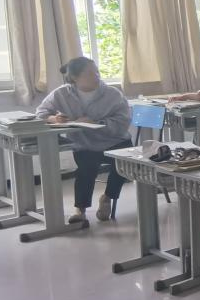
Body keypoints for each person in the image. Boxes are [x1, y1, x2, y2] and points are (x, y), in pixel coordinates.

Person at [36, 57, 132, 224]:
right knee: (85, 170)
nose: (96, 76)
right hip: (84, 143)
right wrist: (54, 119)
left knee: (124, 166)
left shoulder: (112, 94)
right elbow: (41, 113)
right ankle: (80, 210)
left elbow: (123, 121)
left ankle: (107, 197)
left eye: (97, 72)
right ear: (75, 78)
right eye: (90, 73)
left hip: (115, 141)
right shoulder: (61, 94)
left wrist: (97, 122)